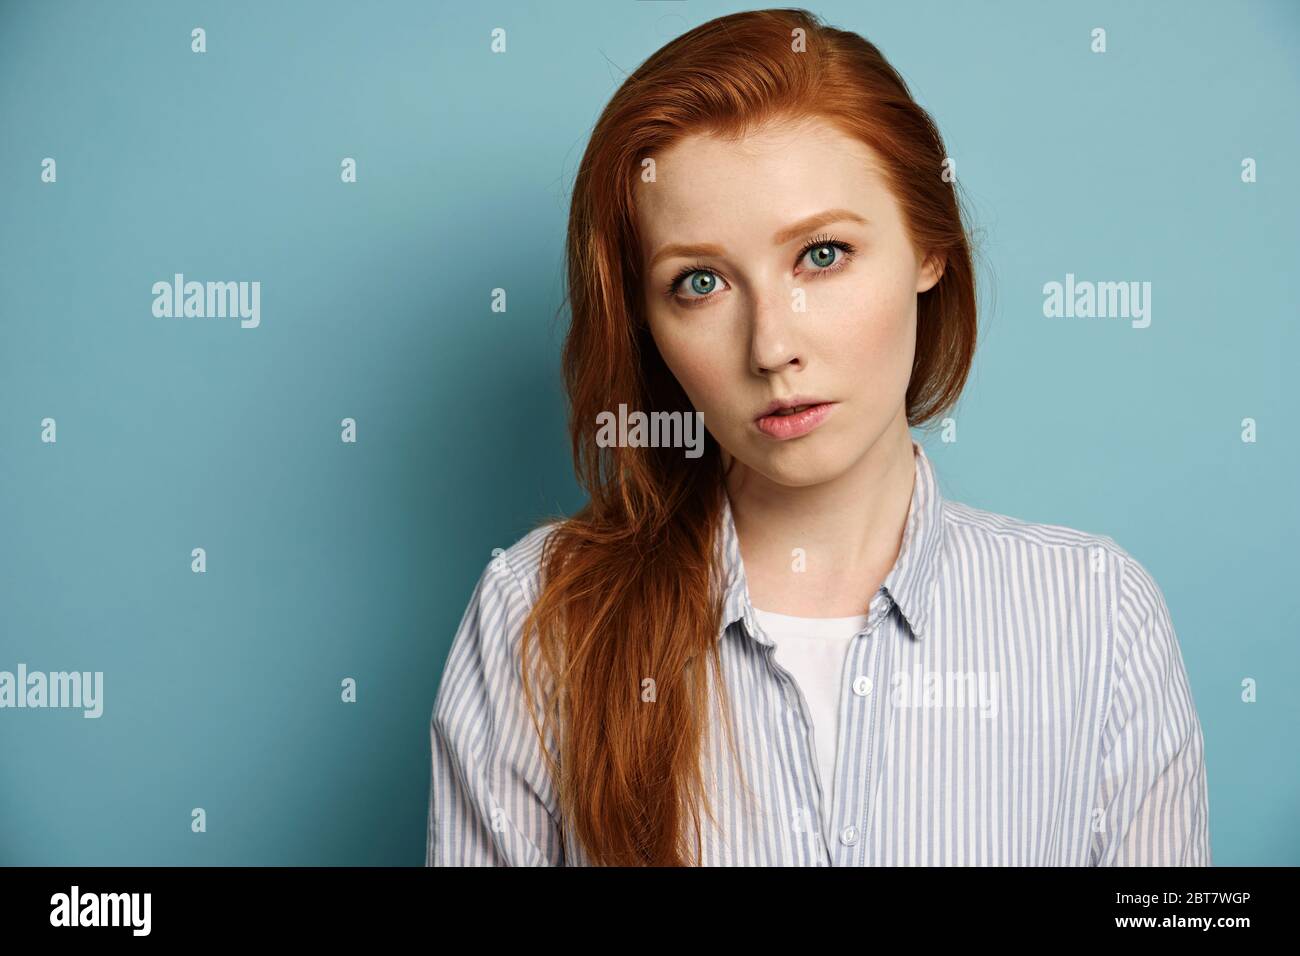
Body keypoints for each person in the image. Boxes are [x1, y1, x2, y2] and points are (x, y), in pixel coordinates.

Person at [426, 7, 1210, 867]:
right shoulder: (534, 622)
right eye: (700, 282)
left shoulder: (1098, 618)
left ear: (928, 247)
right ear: (647, 324)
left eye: (822, 255)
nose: (772, 346)